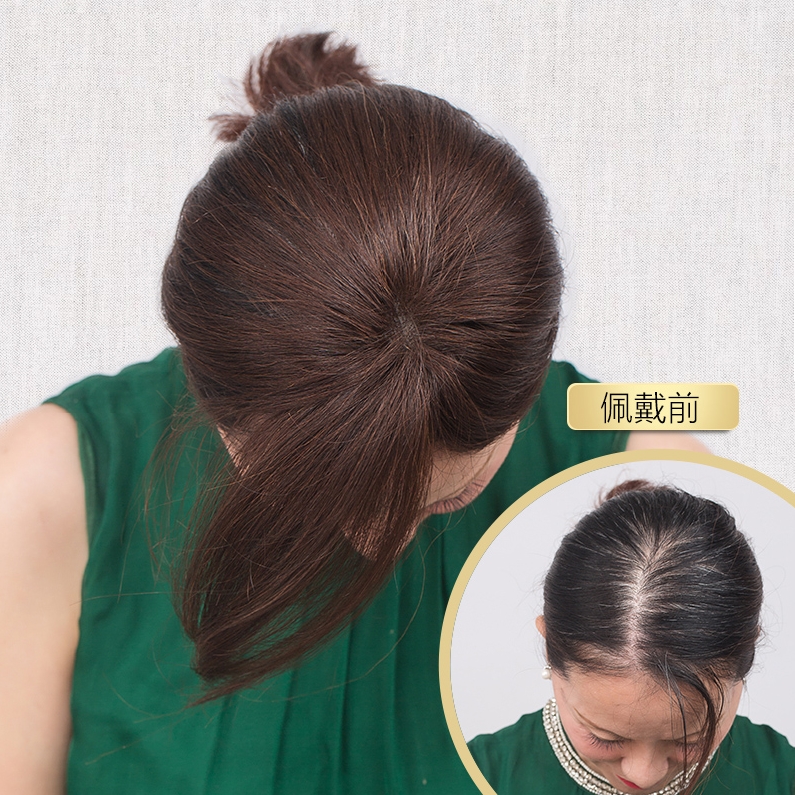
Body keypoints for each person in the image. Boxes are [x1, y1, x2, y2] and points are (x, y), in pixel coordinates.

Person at [0, 33, 701, 794]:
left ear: (531, 381)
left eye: (450, 494)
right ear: (205, 386)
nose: (378, 540)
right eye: (317, 490)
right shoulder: (46, 487)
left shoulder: (649, 465)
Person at [467, 480, 795, 795]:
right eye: (604, 738)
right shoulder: (474, 775)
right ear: (550, 652)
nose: (643, 774)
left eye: (689, 741)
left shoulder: (781, 777)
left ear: (746, 661)